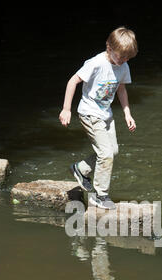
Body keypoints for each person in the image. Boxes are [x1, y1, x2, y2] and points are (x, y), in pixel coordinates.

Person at [59, 26, 138, 210]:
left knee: (113, 151)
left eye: (128, 58)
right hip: (89, 113)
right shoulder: (96, 63)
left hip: (106, 115)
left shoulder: (123, 66)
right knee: (106, 154)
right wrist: (66, 109)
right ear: (109, 48)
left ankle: (81, 169)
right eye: (121, 56)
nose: (124, 61)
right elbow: (73, 81)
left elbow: (121, 89)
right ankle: (100, 196)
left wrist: (127, 113)